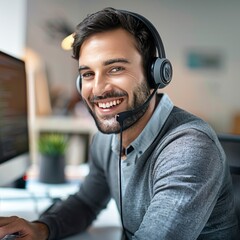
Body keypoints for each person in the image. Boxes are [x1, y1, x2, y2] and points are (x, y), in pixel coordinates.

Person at [0, 7, 239, 240]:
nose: (99, 89)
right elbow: (86, 202)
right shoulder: (106, 139)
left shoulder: (188, 148)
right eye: (87, 74)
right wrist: (41, 228)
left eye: (115, 68)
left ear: (155, 74)